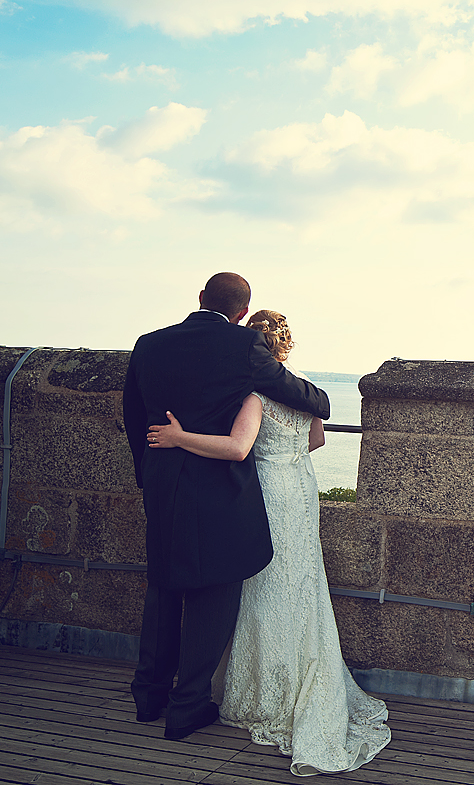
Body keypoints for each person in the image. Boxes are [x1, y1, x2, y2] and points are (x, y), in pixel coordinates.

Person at [146, 309, 391, 775]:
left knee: (262, 587)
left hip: (268, 496)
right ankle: (304, 677)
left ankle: (265, 690)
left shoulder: (255, 395)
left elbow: (238, 449)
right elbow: (316, 441)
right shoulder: (303, 390)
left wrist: (179, 438)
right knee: (300, 584)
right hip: (302, 488)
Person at [123, 274, 330, 741]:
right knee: (212, 593)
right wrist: (319, 395)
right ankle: (187, 706)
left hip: (162, 483)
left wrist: (150, 478)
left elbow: (134, 419)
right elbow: (307, 399)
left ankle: (148, 695)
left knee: (163, 588)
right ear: (242, 312)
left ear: (199, 299)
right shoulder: (243, 347)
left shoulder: (148, 344)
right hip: (216, 488)